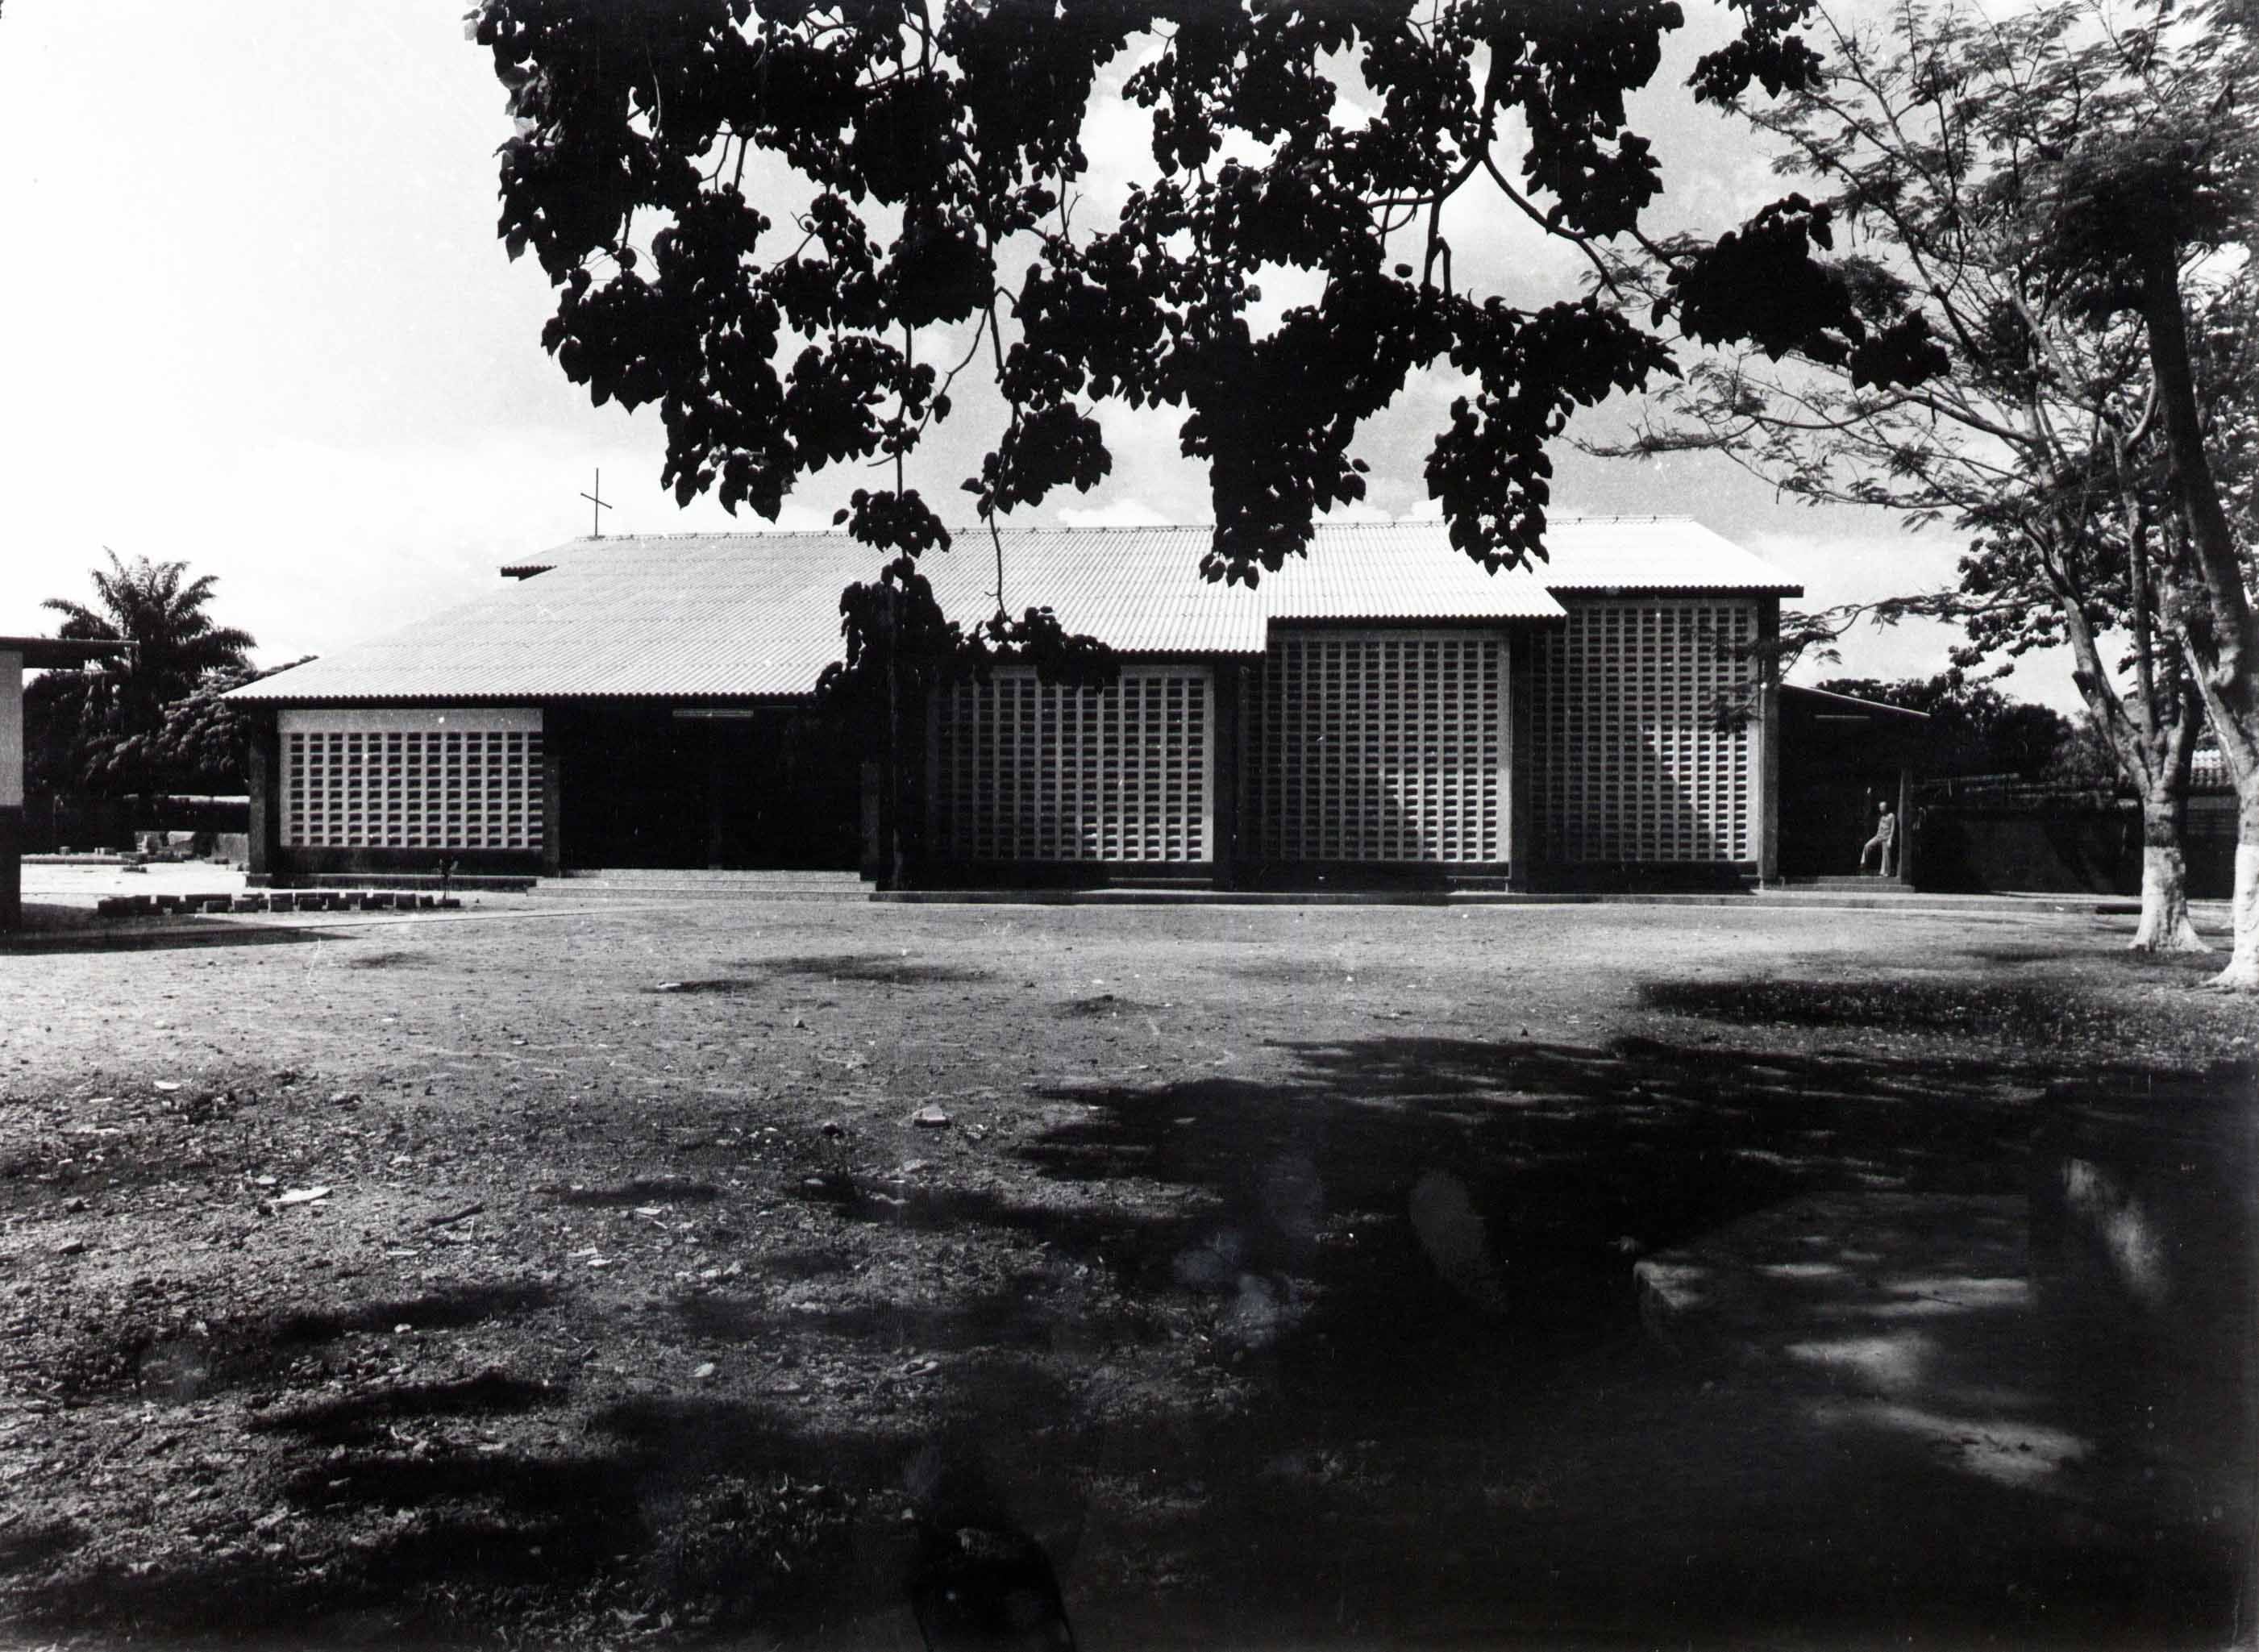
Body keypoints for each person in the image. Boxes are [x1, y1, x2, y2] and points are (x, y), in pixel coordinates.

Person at [1860, 800, 1898, 876]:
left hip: (1886, 837)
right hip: (1878, 836)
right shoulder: (1880, 816)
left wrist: (1890, 839)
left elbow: (1893, 828)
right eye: (1880, 807)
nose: (1881, 808)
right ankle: (1863, 863)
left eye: (1882, 807)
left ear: (1886, 807)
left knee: (1886, 855)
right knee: (1867, 846)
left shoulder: (1891, 816)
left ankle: (1885, 872)